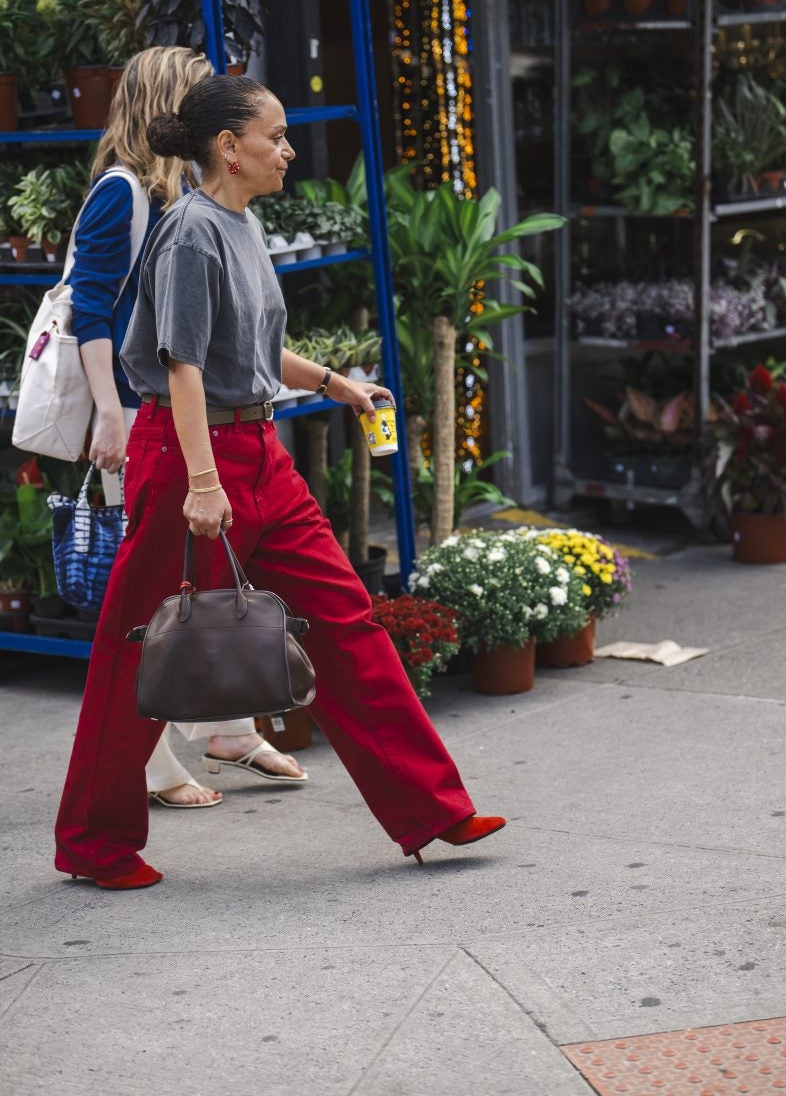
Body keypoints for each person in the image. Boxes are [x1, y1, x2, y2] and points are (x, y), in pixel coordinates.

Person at [54, 74, 505, 890]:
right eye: (278, 136)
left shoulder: (241, 222)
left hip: (259, 451)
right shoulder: (191, 231)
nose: (290, 150)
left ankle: (433, 809)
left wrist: (335, 383)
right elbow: (183, 368)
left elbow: (252, 350)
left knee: (346, 621)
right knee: (137, 645)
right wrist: (201, 483)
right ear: (230, 147)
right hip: (189, 455)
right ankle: (93, 842)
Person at [69, 47, 307, 809]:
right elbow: (91, 308)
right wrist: (111, 410)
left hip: (204, 415)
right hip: (153, 414)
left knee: (211, 589)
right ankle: (159, 765)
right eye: (199, 92)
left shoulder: (201, 203)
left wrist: (330, 381)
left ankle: (228, 728)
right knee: (159, 605)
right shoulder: (129, 195)